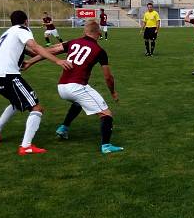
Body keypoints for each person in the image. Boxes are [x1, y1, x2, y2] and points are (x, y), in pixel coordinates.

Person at [23, 20, 123, 154]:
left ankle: (63, 128)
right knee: (106, 114)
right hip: (76, 87)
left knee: (78, 103)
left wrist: (30, 61)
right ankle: (106, 146)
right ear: (99, 33)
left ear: (84, 32)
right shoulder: (100, 51)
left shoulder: (72, 42)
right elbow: (108, 77)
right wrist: (113, 92)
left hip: (62, 87)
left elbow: (51, 50)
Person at [0, 10, 72, 155]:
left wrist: (57, 51)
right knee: (36, 108)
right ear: (25, 21)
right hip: (8, 75)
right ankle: (26, 146)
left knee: (15, 104)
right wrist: (58, 60)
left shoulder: (8, 33)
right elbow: (35, 47)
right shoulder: (22, 29)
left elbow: (32, 53)